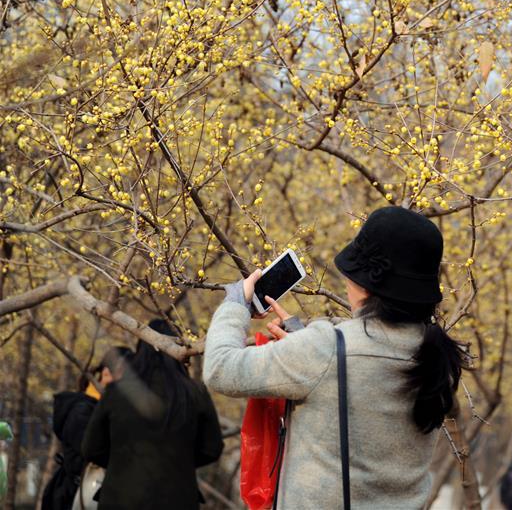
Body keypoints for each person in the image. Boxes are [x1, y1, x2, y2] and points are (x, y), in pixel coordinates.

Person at [204, 206, 467, 509]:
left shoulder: (326, 348)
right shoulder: (436, 354)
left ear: (366, 284)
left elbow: (220, 368)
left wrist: (235, 304)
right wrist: (303, 339)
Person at [82, 320, 224, 509]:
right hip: (178, 499)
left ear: (140, 351)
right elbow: (212, 448)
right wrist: (179, 461)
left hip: (121, 497)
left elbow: (91, 448)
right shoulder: (194, 392)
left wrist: (121, 463)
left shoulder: (117, 391)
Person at [41, 347, 131, 510]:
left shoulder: (110, 408)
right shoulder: (82, 410)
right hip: (78, 494)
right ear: (106, 373)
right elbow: (96, 451)